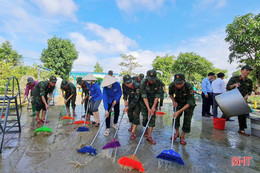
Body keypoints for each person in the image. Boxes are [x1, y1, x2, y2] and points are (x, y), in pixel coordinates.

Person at [169, 73, 196, 145]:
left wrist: (179, 111)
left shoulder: (189, 86)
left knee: (187, 119)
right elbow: (170, 94)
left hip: (188, 104)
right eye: (176, 83)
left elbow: (190, 102)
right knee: (175, 118)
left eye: (180, 84)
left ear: (184, 81)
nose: (178, 85)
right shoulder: (172, 85)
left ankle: (182, 136)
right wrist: (173, 101)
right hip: (178, 102)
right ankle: (177, 133)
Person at [226, 65, 253, 136]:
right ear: (242, 70)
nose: (248, 72)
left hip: (242, 100)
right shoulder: (234, 78)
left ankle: (242, 129)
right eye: (246, 70)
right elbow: (228, 87)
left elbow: (250, 90)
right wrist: (234, 85)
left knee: (242, 114)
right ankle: (219, 123)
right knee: (226, 113)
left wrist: (247, 95)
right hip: (233, 98)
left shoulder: (249, 81)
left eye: (249, 71)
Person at [140, 69, 163, 145]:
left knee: (152, 117)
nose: (152, 81)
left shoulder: (158, 82)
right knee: (145, 117)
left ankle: (149, 136)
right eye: (150, 79)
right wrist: (148, 108)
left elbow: (157, 95)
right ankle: (145, 129)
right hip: (144, 102)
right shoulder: (143, 82)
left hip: (154, 100)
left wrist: (153, 107)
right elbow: (144, 96)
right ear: (147, 77)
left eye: (153, 79)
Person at [122, 74, 142, 140]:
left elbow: (136, 99)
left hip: (138, 101)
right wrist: (125, 100)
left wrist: (128, 107)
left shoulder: (137, 86)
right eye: (128, 83)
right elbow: (125, 93)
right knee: (130, 115)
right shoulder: (123, 85)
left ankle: (133, 133)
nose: (130, 84)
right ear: (124, 83)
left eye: (130, 82)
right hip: (130, 99)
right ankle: (132, 125)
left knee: (135, 115)